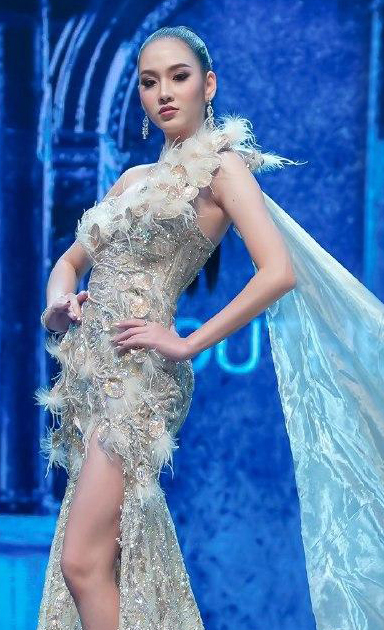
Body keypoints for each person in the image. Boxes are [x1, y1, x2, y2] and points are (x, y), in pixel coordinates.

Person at [36, 26, 295, 630]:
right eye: (149, 82)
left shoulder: (222, 170)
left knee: (82, 561)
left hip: (140, 378)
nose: (164, 93)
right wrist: (57, 303)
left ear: (209, 84)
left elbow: (278, 271)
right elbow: (71, 261)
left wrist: (186, 343)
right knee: (108, 555)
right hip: (91, 376)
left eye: (179, 77)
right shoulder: (131, 180)